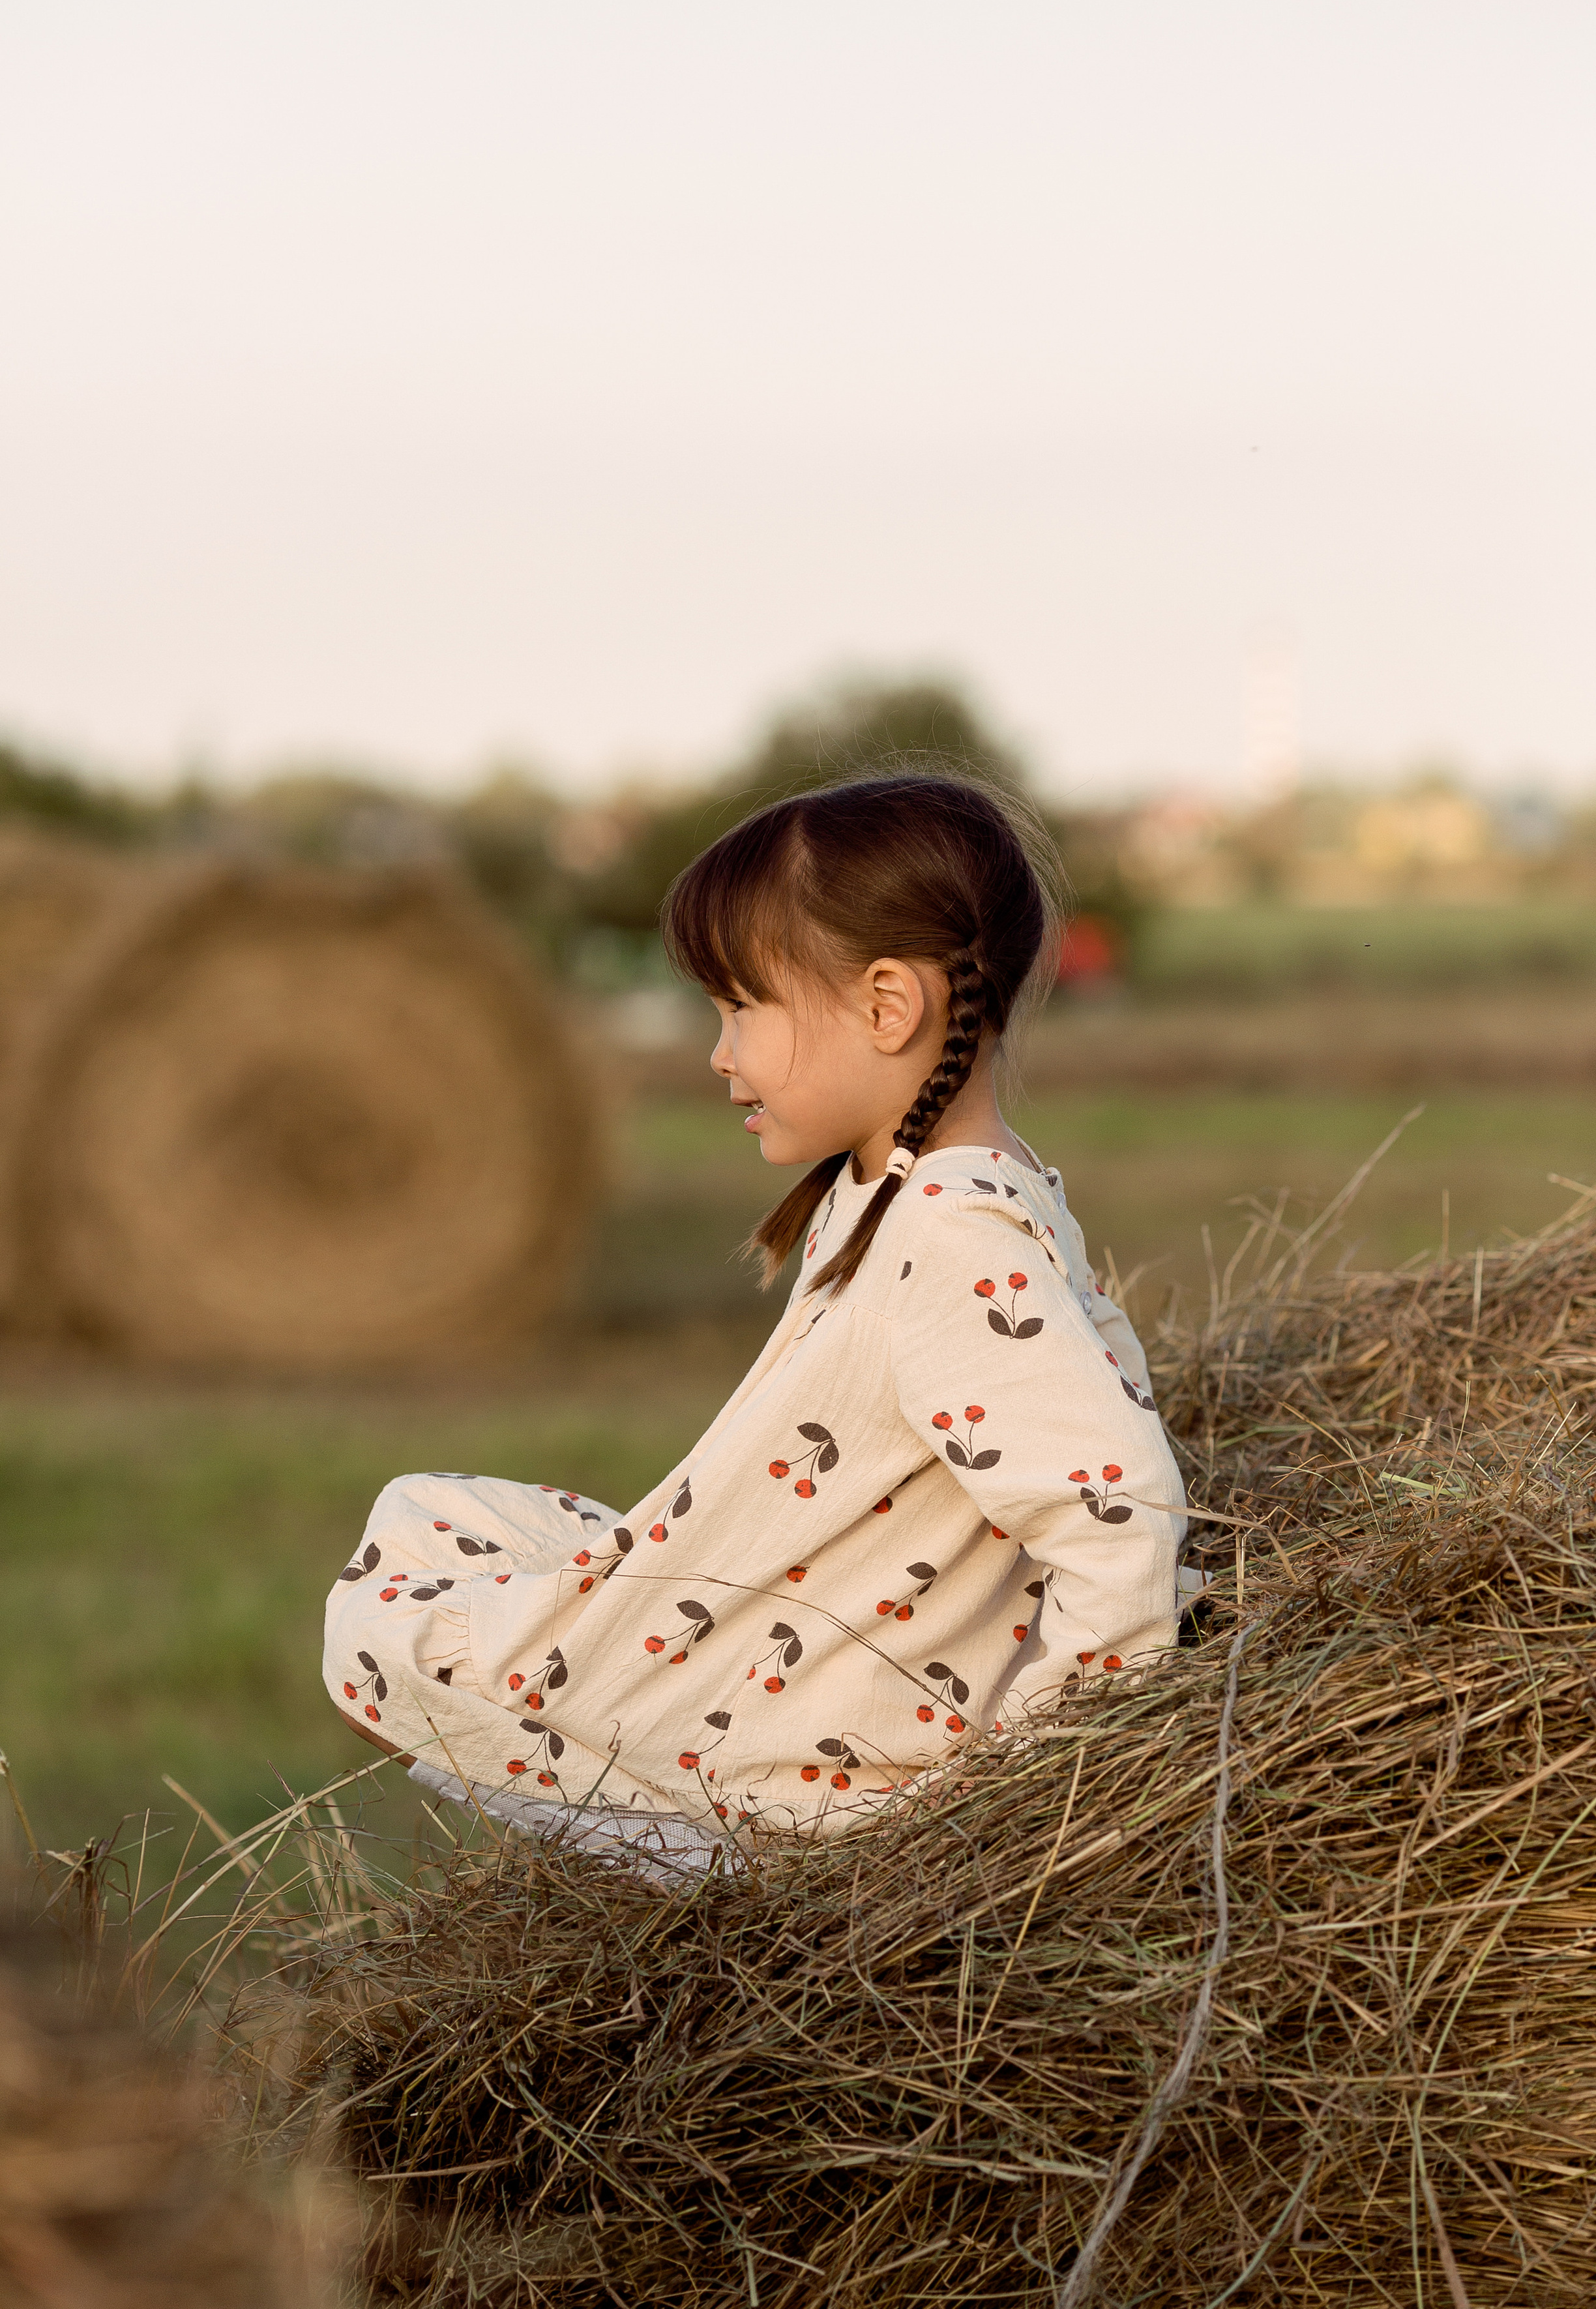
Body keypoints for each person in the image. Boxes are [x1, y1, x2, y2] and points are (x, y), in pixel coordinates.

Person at [323, 772, 1185, 1872]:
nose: (719, 1053)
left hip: (846, 1743)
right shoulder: (933, 1183)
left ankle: (719, 1849)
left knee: (387, 1632)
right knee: (432, 1523)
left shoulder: (953, 1233)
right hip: (849, 1641)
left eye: (742, 1008)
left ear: (888, 1007)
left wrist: (1010, 1798)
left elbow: (1120, 1517)